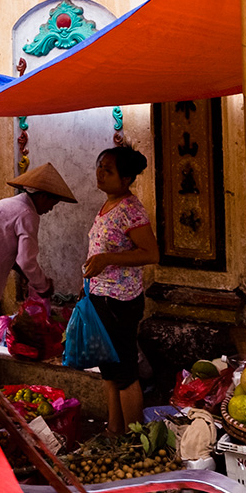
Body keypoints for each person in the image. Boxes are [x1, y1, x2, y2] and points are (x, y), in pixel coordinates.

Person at [0, 162, 77, 377]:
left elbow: (11, 253)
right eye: (52, 204)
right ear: (43, 196)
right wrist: (42, 285)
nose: (50, 210)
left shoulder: (11, 205)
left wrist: (25, 275)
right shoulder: (28, 213)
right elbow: (26, 260)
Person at [83, 145, 158, 435]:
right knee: (109, 370)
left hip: (120, 301)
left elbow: (151, 253)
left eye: (109, 169)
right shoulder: (107, 205)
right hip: (100, 298)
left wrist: (107, 259)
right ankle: (115, 431)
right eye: (100, 165)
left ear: (126, 179)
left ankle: (136, 440)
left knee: (125, 372)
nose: (100, 173)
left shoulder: (130, 209)